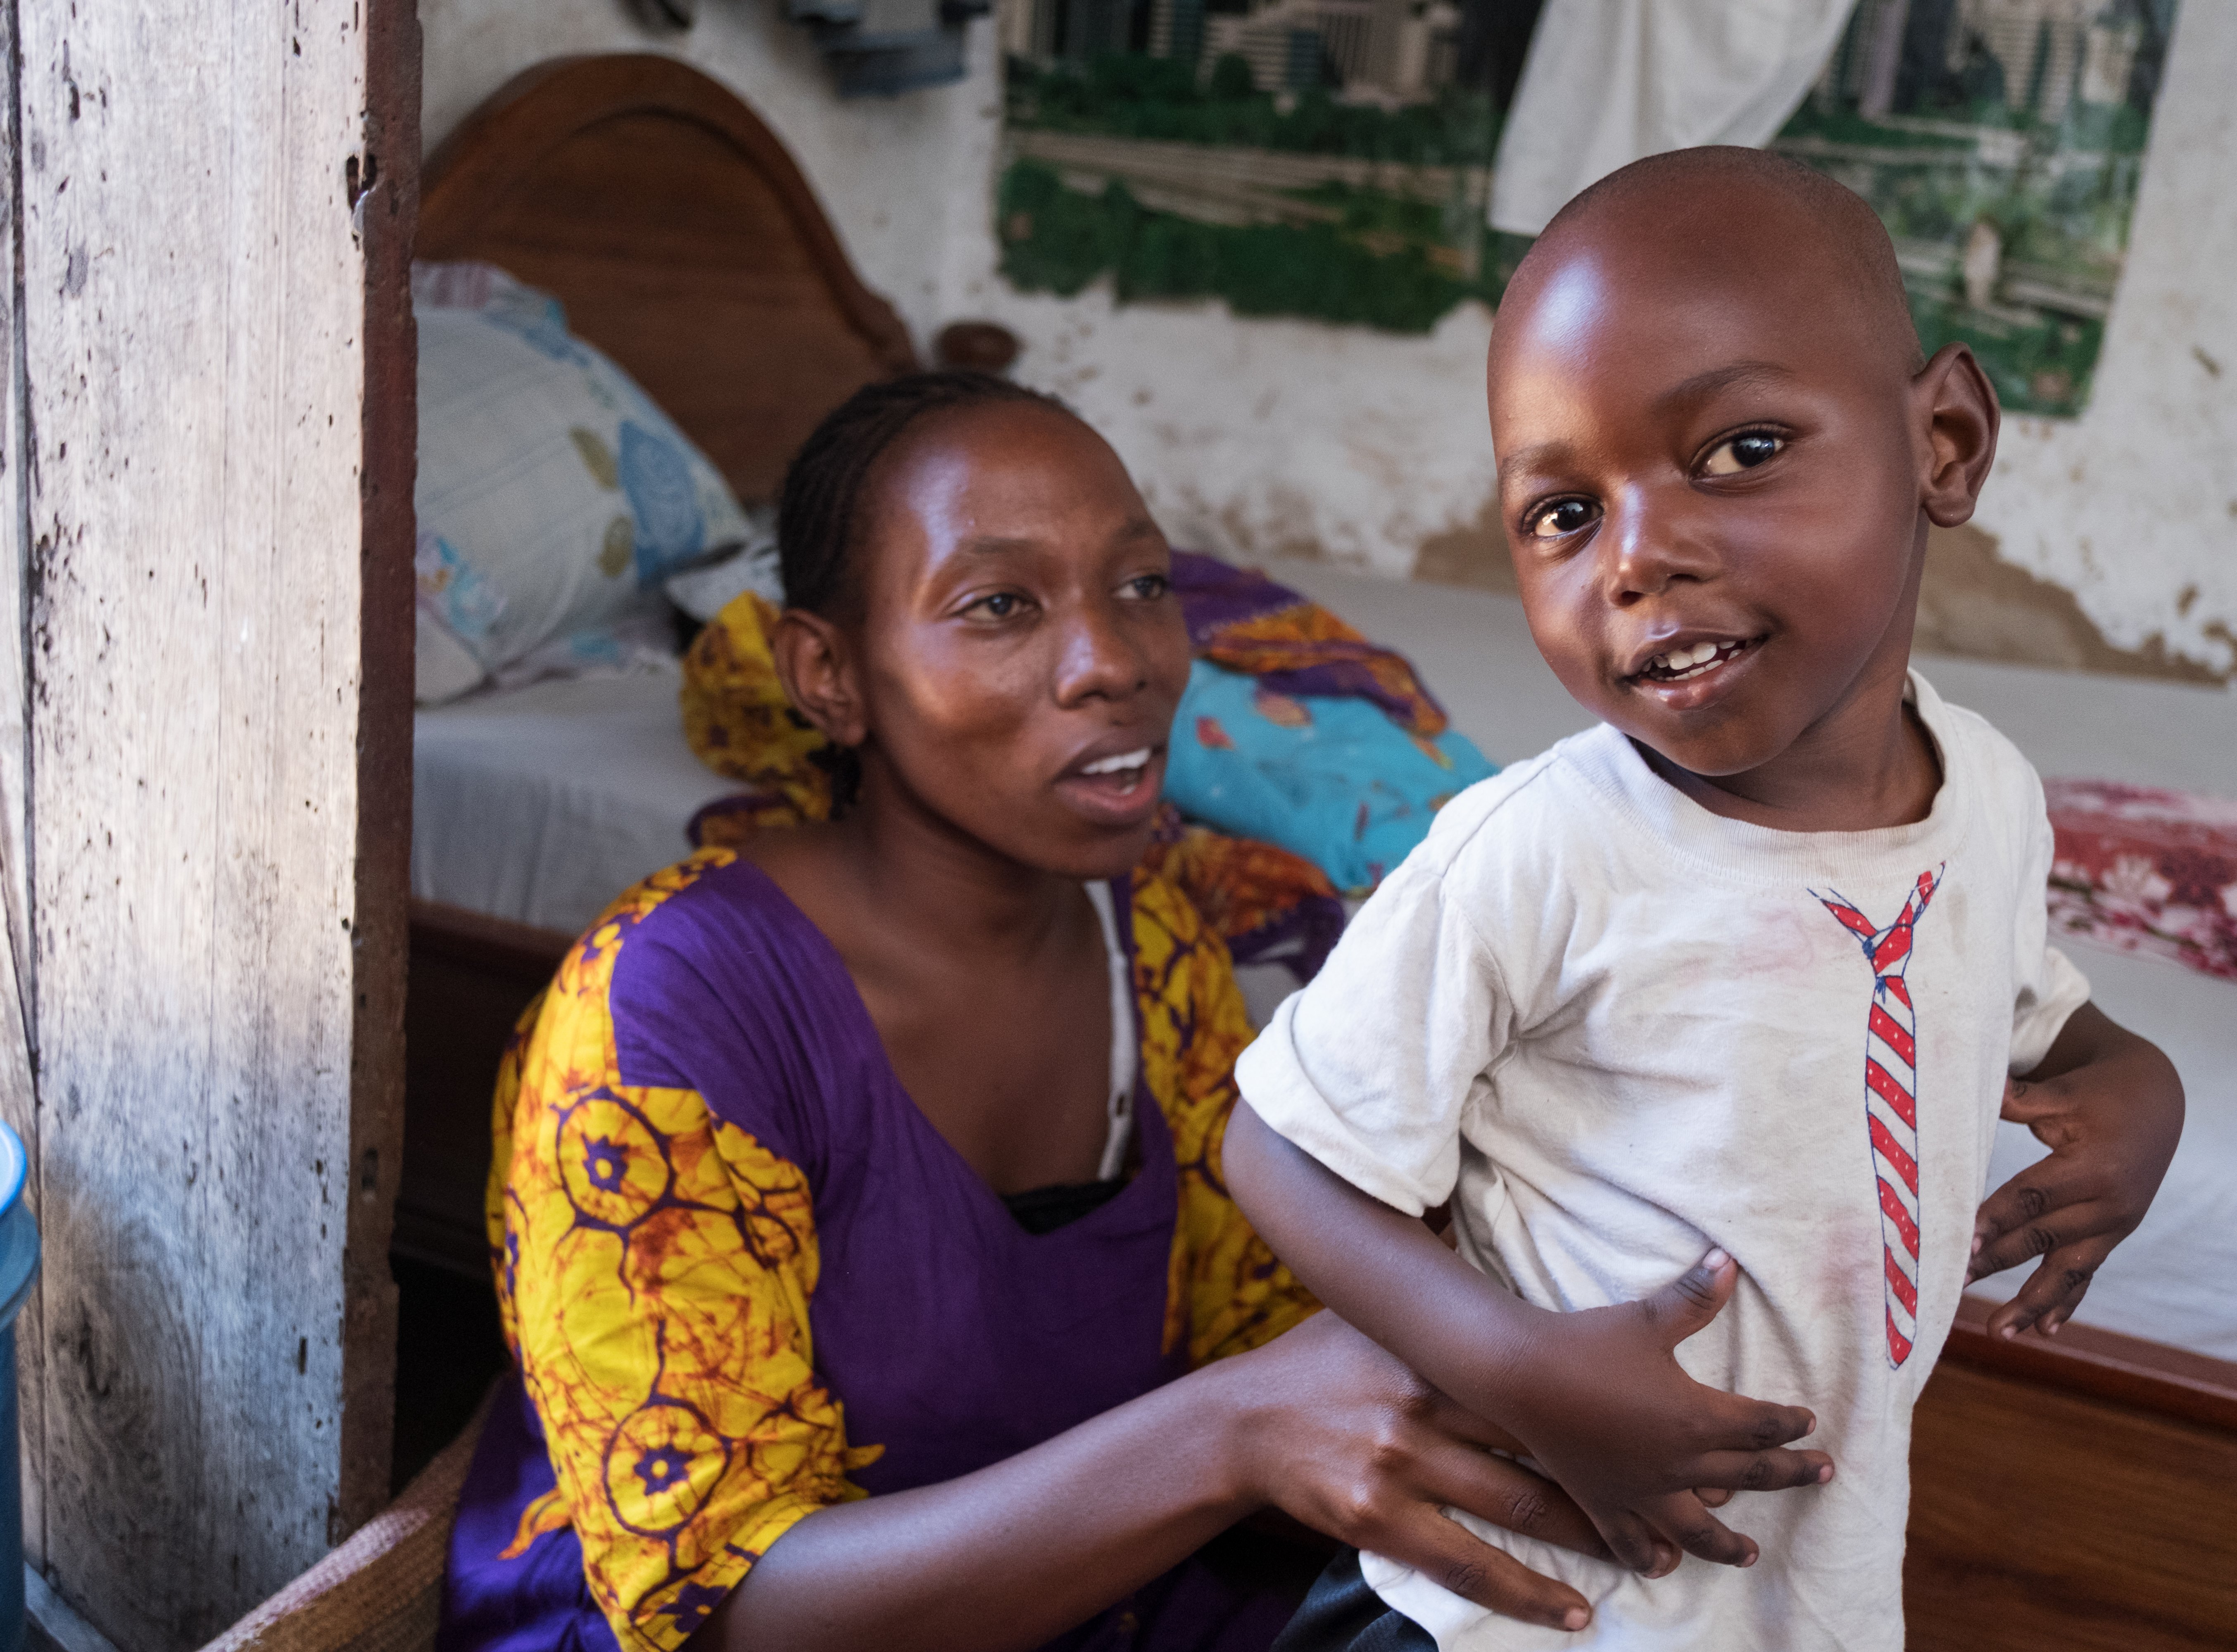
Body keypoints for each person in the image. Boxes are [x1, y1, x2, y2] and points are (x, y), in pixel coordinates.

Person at [437, 373, 1704, 1652]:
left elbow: (1261, 1328)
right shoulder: (667, 1017)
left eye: (1143, 585)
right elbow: (728, 1615)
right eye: (1000, 605)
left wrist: (1512, 1351)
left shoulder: (1147, 941)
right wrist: (1238, 1432)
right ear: (828, 674)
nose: (1118, 662)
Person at [1222, 149, 2185, 1650]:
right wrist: (1517, 1367)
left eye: (1739, 450)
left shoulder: (1986, 794)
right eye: (1560, 514)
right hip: (1513, 1603)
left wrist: (2143, 1093)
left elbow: (2030, 1025)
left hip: (1803, 1589)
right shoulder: (1542, 851)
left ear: (1943, 440)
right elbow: (1282, 1149)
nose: (1639, 557)